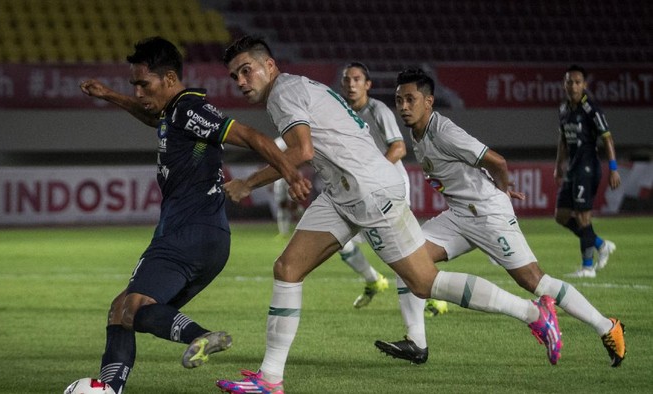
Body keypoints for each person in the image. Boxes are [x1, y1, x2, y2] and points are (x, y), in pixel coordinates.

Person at [215, 35, 562, 394]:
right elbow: (313, 146)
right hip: (343, 193)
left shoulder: (284, 93)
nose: (241, 81)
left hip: (369, 192)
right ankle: (270, 380)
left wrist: (248, 183)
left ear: (269, 66)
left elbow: (302, 150)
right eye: (234, 76)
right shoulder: (293, 88)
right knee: (287, 269)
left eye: (246, 71)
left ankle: (535, 314)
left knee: (424, 283)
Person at [77, 36, 310, 394]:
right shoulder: (175, 113)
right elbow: (152, 117)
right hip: (205, 237)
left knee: (132, 308)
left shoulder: (189, 110)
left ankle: (198, 336)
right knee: (124, 310)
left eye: (144, 84)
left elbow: (250, 136)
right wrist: (110, 95)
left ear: (169, 79)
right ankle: (110, 387)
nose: (139, 92)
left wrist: (290, 173)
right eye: (134, 85)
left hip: (186, 234)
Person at [374, 68, 626, 368]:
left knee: (534, 281)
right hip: (459, 216)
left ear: (428, 101)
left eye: (410, 100)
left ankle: (607, 327)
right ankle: (417, 342)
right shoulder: (418, 131)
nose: (403, 106)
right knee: (409, 261)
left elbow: (496, 160)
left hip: (488, 213)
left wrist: (503, 189)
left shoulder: (443, 131)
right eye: (399, 100)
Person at [338, 62, 449, 317]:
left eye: (357, 79)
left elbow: (399, 148)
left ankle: (437, 296)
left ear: (368, 85)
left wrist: (373, 171)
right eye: (347, 80)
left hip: (389, 185)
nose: (351, 84)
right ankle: (373, 279)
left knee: (402, 250)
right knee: (339, 240)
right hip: (361, 189)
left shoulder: (378, 110)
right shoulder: (342, 111)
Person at [554, 64, 621, 278]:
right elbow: (563, 140)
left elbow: (607, 137)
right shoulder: (563, 110)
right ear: (564, 84)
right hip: (572, 168)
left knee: (583, 217)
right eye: (569, 82)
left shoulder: (591, 108)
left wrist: (613, 168)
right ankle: (601, 244)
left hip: (588, 167)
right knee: (562, 215)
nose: (573, 86)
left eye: (577, 82)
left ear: (584, 85)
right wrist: (558, 166)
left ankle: (587, 267)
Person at [270, 137, 304, 239]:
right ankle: (283, 232)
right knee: (282, 204)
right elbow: (272, 160)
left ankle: (306, 225)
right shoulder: (277, 141)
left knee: (294, 204)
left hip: (293, 175)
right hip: (279, 177)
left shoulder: (293, 141)